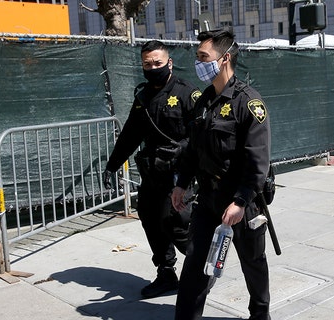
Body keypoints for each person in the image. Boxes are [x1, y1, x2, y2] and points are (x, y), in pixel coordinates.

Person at [171, 29, 272, 320]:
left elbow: (258, 161)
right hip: (209, 202)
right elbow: (193, 150)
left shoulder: (249, 103)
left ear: (224, 58)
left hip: (243, 202)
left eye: (204, 57)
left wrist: (241, 202)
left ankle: (260, 314)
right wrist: (181, 184)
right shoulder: (204, 101)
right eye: (198, 57)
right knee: (195, 265)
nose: (198, 63)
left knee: (252, 262)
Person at [102, 40, 201, 299]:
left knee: (176, 223)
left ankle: (201, 269)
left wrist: (181, 148)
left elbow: (203, 134)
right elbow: (130, 136)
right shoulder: (143, 97)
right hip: (153, 174)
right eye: (147, 64)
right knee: (150, 218)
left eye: (157, 63)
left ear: (169, 63)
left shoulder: (187, 94)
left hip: (179, 174)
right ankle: (166, 273)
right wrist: (112, 165)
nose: (152, 67)